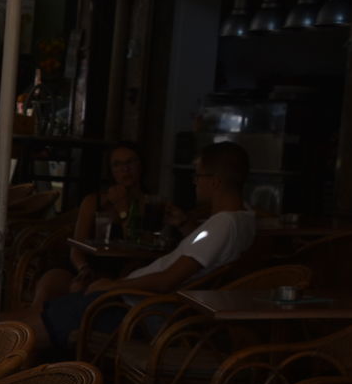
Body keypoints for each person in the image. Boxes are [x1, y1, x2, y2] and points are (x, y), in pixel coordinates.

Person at [15, 141, 256, 350]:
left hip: (134, 309)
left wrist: (114, 286)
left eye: (198, 176)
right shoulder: (243, 218)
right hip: (128, 298)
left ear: (214, 182)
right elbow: (204, 250)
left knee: (15, 333)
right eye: (117, 165)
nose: (194, 182)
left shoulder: (223, 224)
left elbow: (167, 281)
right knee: (23, 321)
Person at [67, 141, 150, 285]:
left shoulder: (149, 204)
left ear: (141, 165)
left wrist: (123, 210)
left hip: (127, 275)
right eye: (117, 164)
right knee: (51, 280)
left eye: (130, 162)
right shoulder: (94, 201)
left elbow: (138, 249)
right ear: (111, 170)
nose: (125, 169)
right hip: (88, 267)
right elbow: (77, 248)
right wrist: (83, 268)